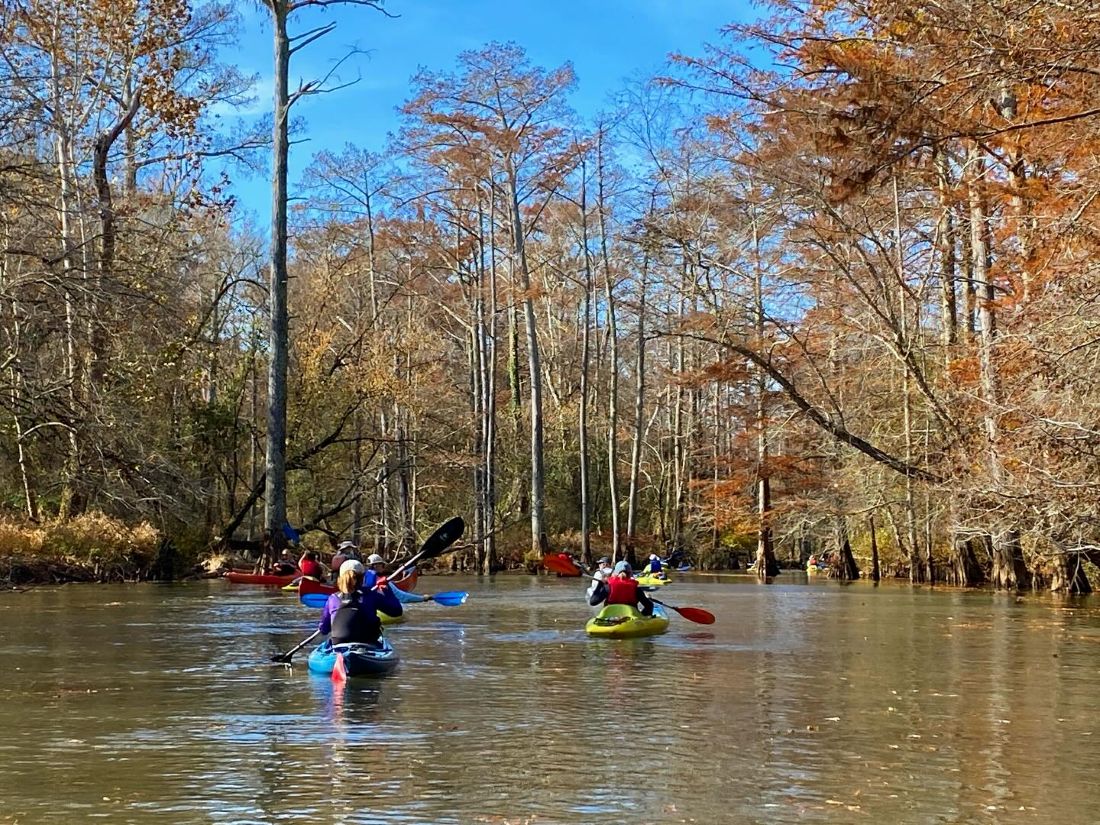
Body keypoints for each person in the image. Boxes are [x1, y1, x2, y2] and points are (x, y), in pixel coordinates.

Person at [318, 559, 403, 646]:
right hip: (368, 642)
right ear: (362, 578)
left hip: (339, 644)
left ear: (340, 578)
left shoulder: (333, 598)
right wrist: (386, 589)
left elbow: (324, 630)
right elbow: (397, 611)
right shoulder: (371, 595)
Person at [588, 560, 654, 616]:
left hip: (610, 618)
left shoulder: (608, 587)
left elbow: (592, 602)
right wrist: (643, 616)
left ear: (615, 573)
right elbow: (649, 606)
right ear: (630, 573)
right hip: (630, 618)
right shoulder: (636, 589)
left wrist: (600, 585)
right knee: (650, 605)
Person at [366, 552, 432, 604]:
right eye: (382, 565)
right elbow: (403, 597)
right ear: (376, 566)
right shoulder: (385, 582)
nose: (383, 567)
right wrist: (423, 598)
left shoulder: (359, 579)